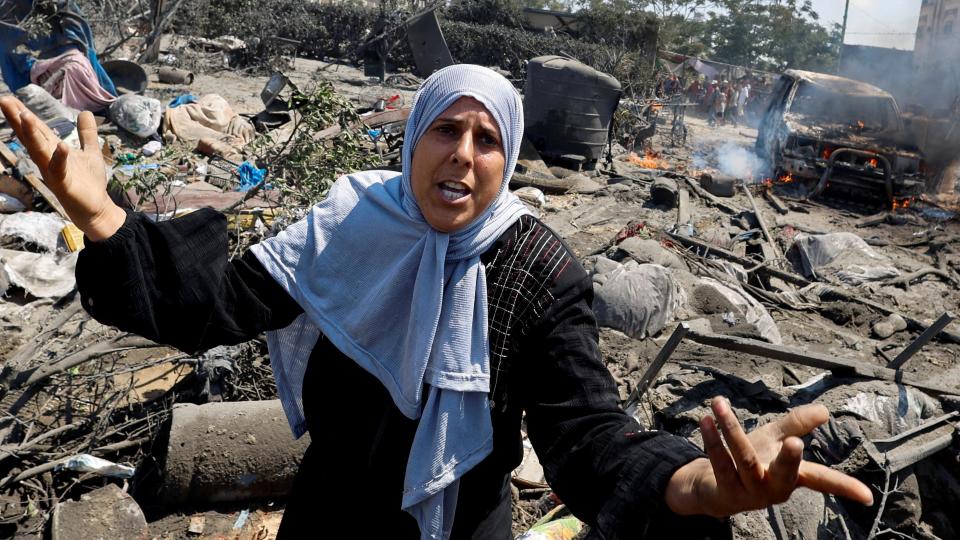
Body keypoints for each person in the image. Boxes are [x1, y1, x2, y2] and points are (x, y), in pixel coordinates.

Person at [0, 65, 873, 540]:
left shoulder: (537, 266)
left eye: (488, 138)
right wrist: (110, 219)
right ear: (415, 137)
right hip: (331, 518)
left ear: (508, 156)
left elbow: (586, 433)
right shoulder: (350, 221)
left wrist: (690, 485)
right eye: (445, 129)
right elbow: (219, 305)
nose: (463, 153)